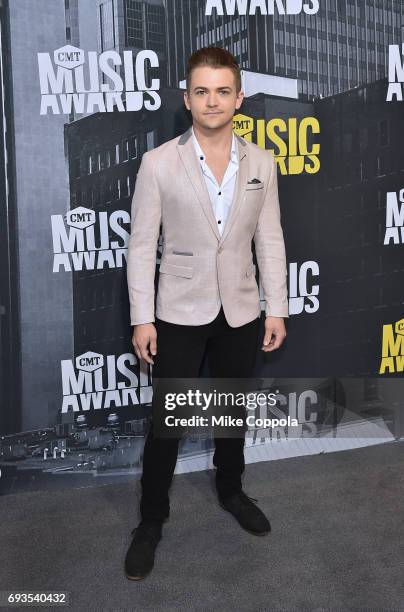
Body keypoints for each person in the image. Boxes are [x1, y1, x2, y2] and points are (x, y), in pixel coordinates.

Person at [125, 47, 289, 581]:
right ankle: (150, 521)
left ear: (238, 99)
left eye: (223, 91)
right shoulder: (158, 163)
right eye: (202, 90)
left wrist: (276, 308)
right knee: (167, 425)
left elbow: (270, 239)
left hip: (240, 310)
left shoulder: (262, 161)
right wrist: (142, 318)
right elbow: (142, 245)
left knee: (230, 414)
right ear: (187, 99)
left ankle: (232, 490)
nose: (212, 100)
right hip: (176, 311)